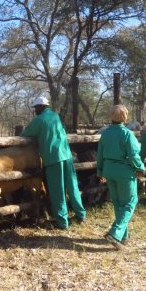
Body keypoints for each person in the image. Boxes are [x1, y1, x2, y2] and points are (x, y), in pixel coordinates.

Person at [20, 96, 86, 230]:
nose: (35, 110)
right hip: (67, 155)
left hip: (52, 158)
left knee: (58, 190)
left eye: (36, 108)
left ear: (40, 107)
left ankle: (62, 222)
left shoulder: (39, 120)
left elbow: (25, 134)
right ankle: (81, 215)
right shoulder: (55, 116)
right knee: (72, 186)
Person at [97, 104, 146, 250]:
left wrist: (100, 172)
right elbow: (133, 155)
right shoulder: (127, 134)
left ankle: (123, 237)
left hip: (108, 171)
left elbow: (100, 154)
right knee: (130, 202)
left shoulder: (105, 134)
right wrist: (141, 168)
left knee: (119, 203)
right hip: (124, 172)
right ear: (125, 117)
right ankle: (115, 233)